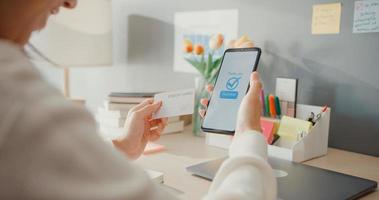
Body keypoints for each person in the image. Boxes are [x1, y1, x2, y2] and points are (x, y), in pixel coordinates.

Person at [0, 0, 277, 199]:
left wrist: (121, 147)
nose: (71, 3)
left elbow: (51, 168)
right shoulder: (20, 102)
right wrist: (248, 136)